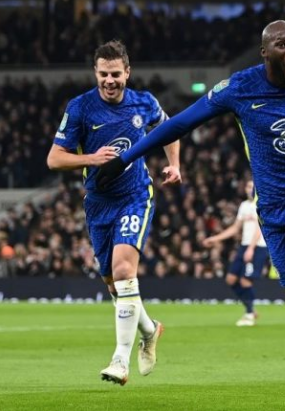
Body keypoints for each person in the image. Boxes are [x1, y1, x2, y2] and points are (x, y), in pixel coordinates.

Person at [95, 21, 285, 411]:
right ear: (265, 53)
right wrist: (127, 157)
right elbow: (181, 122)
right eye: (282, 44)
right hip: (273, 207)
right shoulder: (240, 87)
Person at [46, 40, 181, 385]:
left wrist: (174, 165)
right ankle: (150, 330)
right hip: (98, 202)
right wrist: (91, 158)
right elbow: (54, 158)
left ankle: (120, 360)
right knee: (114, 284)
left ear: (127, 73)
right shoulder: (80, 108)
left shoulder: (144, 102)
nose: (110, 80)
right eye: (104, 74)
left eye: (116, 74)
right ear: (96, 73)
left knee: (124, 271)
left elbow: (170, 130)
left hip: (135, 195)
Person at [202, 181, 269, 327]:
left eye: (252, 186)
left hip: (258, 247)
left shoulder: (262, 204)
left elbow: (260, 228)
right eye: (247, 186)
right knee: (231, 279)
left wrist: (251, 248)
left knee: (245, 281)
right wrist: (215, 238)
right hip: (244, 245)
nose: (249, 189)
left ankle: (249, 315)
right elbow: (235, 228)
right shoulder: (244, 206)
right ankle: (251, 308)